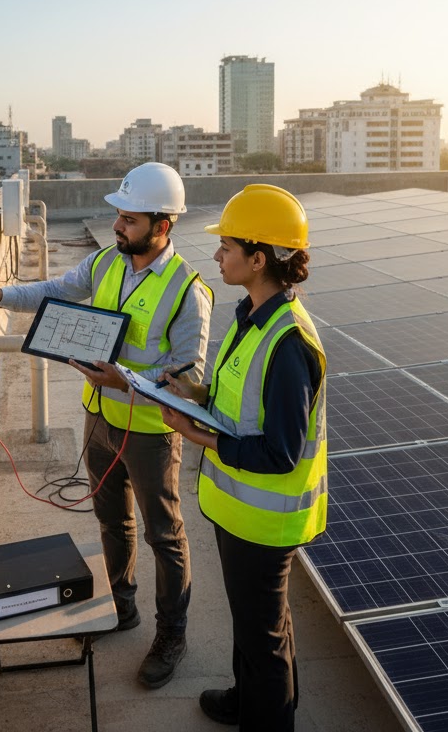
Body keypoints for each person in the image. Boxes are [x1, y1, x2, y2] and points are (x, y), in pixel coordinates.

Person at [0, 162, 213, 689]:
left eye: (128, 218)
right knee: (112, 522)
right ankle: (122, 609)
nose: (118, 226)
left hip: (148, 432)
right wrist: (0, 296)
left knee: (164, 537)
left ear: (162, 225)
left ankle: (172, 635)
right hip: (98, 420)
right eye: (118, 217)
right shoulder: (106, 262)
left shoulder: (188, 289)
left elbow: (189, 376)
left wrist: (126, 380)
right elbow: (55, 289)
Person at [158, 184, 326, 732]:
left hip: (265, 520)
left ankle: (268, 718)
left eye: (226, 247)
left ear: (259, 259)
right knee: (260, 624)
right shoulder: (254, 315)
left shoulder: (289, 343)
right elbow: (236, 399)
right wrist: (194, 397)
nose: (217, 255)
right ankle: (246, 697)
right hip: (239, 512)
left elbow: (279, 452)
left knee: (263, 635)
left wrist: (197, 436)